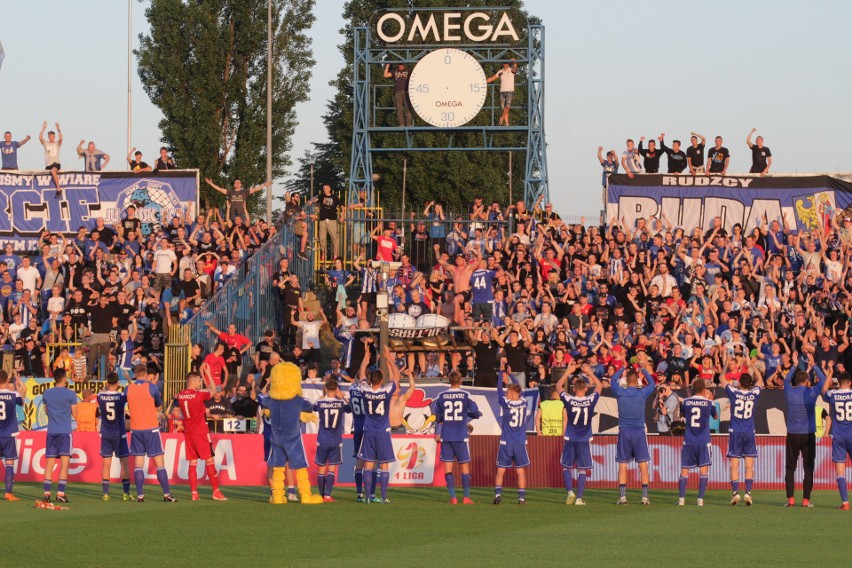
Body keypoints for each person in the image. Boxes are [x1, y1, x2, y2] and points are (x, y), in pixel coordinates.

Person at [610, 351, 657, 505]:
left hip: (624, 432)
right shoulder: (641, 393)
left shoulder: (619, 392)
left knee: (623, 464)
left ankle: (623, 496)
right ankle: (644, 497)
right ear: (637, 381)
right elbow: (653, 384)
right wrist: (643, 370)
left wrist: (622, 368)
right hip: (638, 432)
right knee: (642, 464)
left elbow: (612, 380)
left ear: (625, 381)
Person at [126, 364, 177, 502]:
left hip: (136, 429)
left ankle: (140, 495)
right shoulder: (152, 387)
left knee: (138, 463)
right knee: (159, 462)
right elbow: (158, 405)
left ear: (135, 374)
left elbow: (128, 403)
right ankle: (166, 494)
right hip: (151, 429)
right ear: (146, 374)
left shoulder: (128, 389)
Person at [782, 353, 826, 507]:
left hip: (793, 434)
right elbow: (824, 380)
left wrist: (794, 365)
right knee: (808, 468)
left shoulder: (789, 391)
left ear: (796, 381)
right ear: (807, 382)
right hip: (807, 435)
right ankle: (806, 500)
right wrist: (813, 364)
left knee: (790, 467)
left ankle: (790, 500)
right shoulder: (812, 392)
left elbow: (785, 380)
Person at [556, 365, 603, 506]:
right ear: (586, 388)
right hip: (584, 438)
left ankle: (570, 492)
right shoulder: (590, 400)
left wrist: (567, 373)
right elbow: (600, 386)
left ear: (574, 389)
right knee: (582, 468)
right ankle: (579, 498)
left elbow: (558, 385)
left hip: (570, 437)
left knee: (566, 467)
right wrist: (590, 372)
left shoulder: (569, 399)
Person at [176, 372, 228, 501]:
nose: (201, 383)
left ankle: (194, 493)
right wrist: (209, 374)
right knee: (209, 460)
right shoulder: (198, 395)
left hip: (188, 432)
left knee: (192, 462)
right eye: (199, 381)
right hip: (200, 431)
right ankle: (216, 491)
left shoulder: (181, 395)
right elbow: (214, 389)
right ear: (193, 382)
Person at [433, 370, 482, 504]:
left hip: (446, 436)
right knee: (464, 467)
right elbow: (475, 412)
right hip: (461, 436)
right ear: (460, 381)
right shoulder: (466, 395)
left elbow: (438, 418)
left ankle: (453, 497)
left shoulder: (441, 396)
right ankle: (466, 497)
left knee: (448, 467)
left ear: (449, 381)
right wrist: (473, 415)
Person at [358, 345, 399, 504]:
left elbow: (361, 374)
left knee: (368, 463)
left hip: (368, 430)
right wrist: (389, 358)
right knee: (384, 464)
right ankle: (383, 497)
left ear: (370, 380)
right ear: (381, 381)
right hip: (383, 431)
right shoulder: (386, 391)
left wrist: (365, 358)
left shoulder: (366, 391)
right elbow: (396, 377)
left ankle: (368, 497)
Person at [720, 371, 763, 506]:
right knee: (749, 465)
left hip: (736, 431)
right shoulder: (754, 393)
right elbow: (761, 382)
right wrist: (753, 366)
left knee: (734, 464)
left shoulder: (734, 392)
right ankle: (748, 493)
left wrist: (726, 364)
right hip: (749, 431)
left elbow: (721, 377)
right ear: (750, 384)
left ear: (739, 383)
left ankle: (735, 493)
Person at [676, 379, 717, 506]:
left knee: (684, 470)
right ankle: (700, 499)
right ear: (704, 390)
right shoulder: (709, 403)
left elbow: (682, 415)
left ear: (692, 388)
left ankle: (682, 499)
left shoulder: (686, 402)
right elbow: (715, 416)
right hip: (703, 441)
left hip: (689, 440)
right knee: (703, 470)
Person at [42, 368, 77, 503]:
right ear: (64, 378)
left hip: (51, 431)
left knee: (49, 464)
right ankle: (60, 493)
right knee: (64, 464)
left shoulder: (47, 393)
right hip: (64, 432)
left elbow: (46, 411)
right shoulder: (70, 394)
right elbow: (75, 414)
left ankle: (46, 494)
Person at [494, 370, 530, 504]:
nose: (506, 393)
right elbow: (518, 388)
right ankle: (521, 498)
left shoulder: (506, 403)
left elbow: (498, 390)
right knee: (520, 471)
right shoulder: (524, 402)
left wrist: (500, 375)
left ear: (513, 393)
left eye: (508, 392)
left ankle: (498, 495)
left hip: (506, 442)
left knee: (501, 470)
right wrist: (510, 375)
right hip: (520, 442)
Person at [313, 378, 351, 502]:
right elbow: (351, 408)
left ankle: (321, 494)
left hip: (322, 439)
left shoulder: (320, 403)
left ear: (325, 388)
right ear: (336, 389)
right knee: (332, 468)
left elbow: (313, 407)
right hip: (335, 440)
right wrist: (342, 397)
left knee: (321, 467)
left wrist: (323, 395)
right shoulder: (340, 404)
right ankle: (327, 496)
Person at [97, 372, 133, 501]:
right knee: (124, 464)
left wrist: (107, 388)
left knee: (106, 464)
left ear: (107, 383)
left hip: (106, 434)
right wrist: (129, 380)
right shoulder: (121, 396)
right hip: (120, 434)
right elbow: (131, 390)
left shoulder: (100, 396)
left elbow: (103, 391)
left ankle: (106, 493)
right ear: (118, 383)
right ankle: (126, 493)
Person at [822, 371, 852, 510]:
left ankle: (845, 503)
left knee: (840, 471)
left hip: (838, 436)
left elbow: (823, 391)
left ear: (838, 383)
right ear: (850, 383)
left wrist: (829, 374)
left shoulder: (833, 394)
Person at [0, 370, 25, 500]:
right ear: (6, 380)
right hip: (9, 434)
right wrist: (17, 383)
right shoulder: (13, 394)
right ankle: (8, 493)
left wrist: (6, 378)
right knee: (9, 463)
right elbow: (22, 402)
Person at [204, 177, 271, 223]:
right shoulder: (230, 192)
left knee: (244, 229)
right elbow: (220, 189)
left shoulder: (244, 192)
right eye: (236, 182)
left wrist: (264, 185)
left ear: (241, 185)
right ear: (234, 185)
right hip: (233, 214)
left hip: (242, 214)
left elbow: (255, 189)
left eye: (239, 182)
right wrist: (211, 183)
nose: (237, 183)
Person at [486, 59, 518, 126]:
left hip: (509, 90)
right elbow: (492, 78)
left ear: (508, 63)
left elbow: (515, 68)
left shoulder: (511, 70)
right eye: (504, 63)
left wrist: (514, 62)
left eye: (506, 63)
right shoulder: (500, 71)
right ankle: (506, 123)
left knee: (508, 106)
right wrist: (483, 81)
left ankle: (501, 118)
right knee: (504, 108)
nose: (505, 64)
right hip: (502, 91)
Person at [315, 184, 342, 260]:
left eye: (326, 188)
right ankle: (323, 253)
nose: (325, 190)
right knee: (322, 238)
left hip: (332, 219)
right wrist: (311, 201)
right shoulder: (321, 196)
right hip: (323, 219)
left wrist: (342, 216)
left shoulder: (335, 197)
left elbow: (342, 206)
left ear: (330, 189)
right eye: (324, 188)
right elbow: (316, 199)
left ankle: (335, 254)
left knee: (334, 238)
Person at [383, 62, 413, 127]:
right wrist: (387, 66)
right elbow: (385, 75)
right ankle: (401, 124)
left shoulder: (408, 70)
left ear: (404, 64)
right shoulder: (395, 71)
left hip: (406, 92)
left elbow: (416, 73)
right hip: (398, 92)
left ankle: (409, 124)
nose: (400, 65)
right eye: (399, 64)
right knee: (399, 109)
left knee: (408, 108)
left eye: (401, 64)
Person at [39, 121, 63, 196]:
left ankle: (59, 189)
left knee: (53, 171)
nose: (51, 138)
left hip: (56, 163)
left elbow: (61, 139)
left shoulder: (57, 144)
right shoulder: (46, 143)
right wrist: (43, 128)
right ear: (48, 137)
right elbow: (40, 138)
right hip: (48, 164)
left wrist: (58, 129)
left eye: (53, 136)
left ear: (54, 137)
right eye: (50, 136)